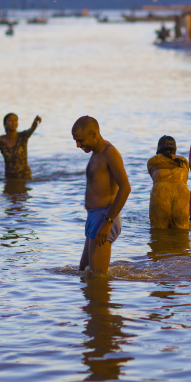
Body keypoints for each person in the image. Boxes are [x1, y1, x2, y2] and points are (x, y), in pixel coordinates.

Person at [72, 116, 131, 274]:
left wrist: (108, 221)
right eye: (76, 141)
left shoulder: (109, 153)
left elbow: (125, 188)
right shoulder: (95, 153)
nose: (78, 145)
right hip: (93, 217)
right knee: (83, 272)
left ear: (94, 134)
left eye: (80, 140)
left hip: (105, 216)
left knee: (97, 279)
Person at [147, 136, 190, 229]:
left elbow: (153, 177)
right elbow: (185, 179)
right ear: (175, 149)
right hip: (181, 195)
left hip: (161, 195)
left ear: (158, 149)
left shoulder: (152, 161)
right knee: (182, 238)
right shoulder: (184, 161)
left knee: (158, 235)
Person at [0, 113, 42, 179]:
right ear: (5, 125)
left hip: (25, 178)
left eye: (15, 120)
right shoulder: (1, 140)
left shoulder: (23, 136)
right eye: (11, 120)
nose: (13, 122)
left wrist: (35, 122)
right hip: (9, 178)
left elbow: (31, 129)